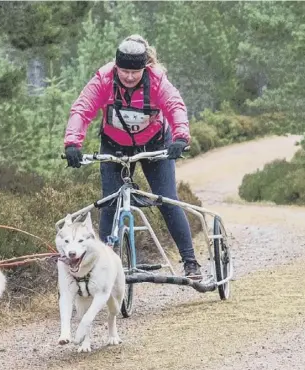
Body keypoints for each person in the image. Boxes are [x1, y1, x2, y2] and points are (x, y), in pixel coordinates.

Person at [62, 34, 202, 279]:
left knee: (167, 200)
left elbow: (175, 106)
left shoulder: (157, 81)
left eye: (134, 71)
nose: (128, 76)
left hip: (155, 144)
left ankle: (190, 262)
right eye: (124, 70)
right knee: (109, 203)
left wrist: (181, 138)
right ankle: (103, 266)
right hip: (114, 145)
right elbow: (82, 108)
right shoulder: (104, 80)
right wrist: (73, 143)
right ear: (116, 67)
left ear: (144, 68)